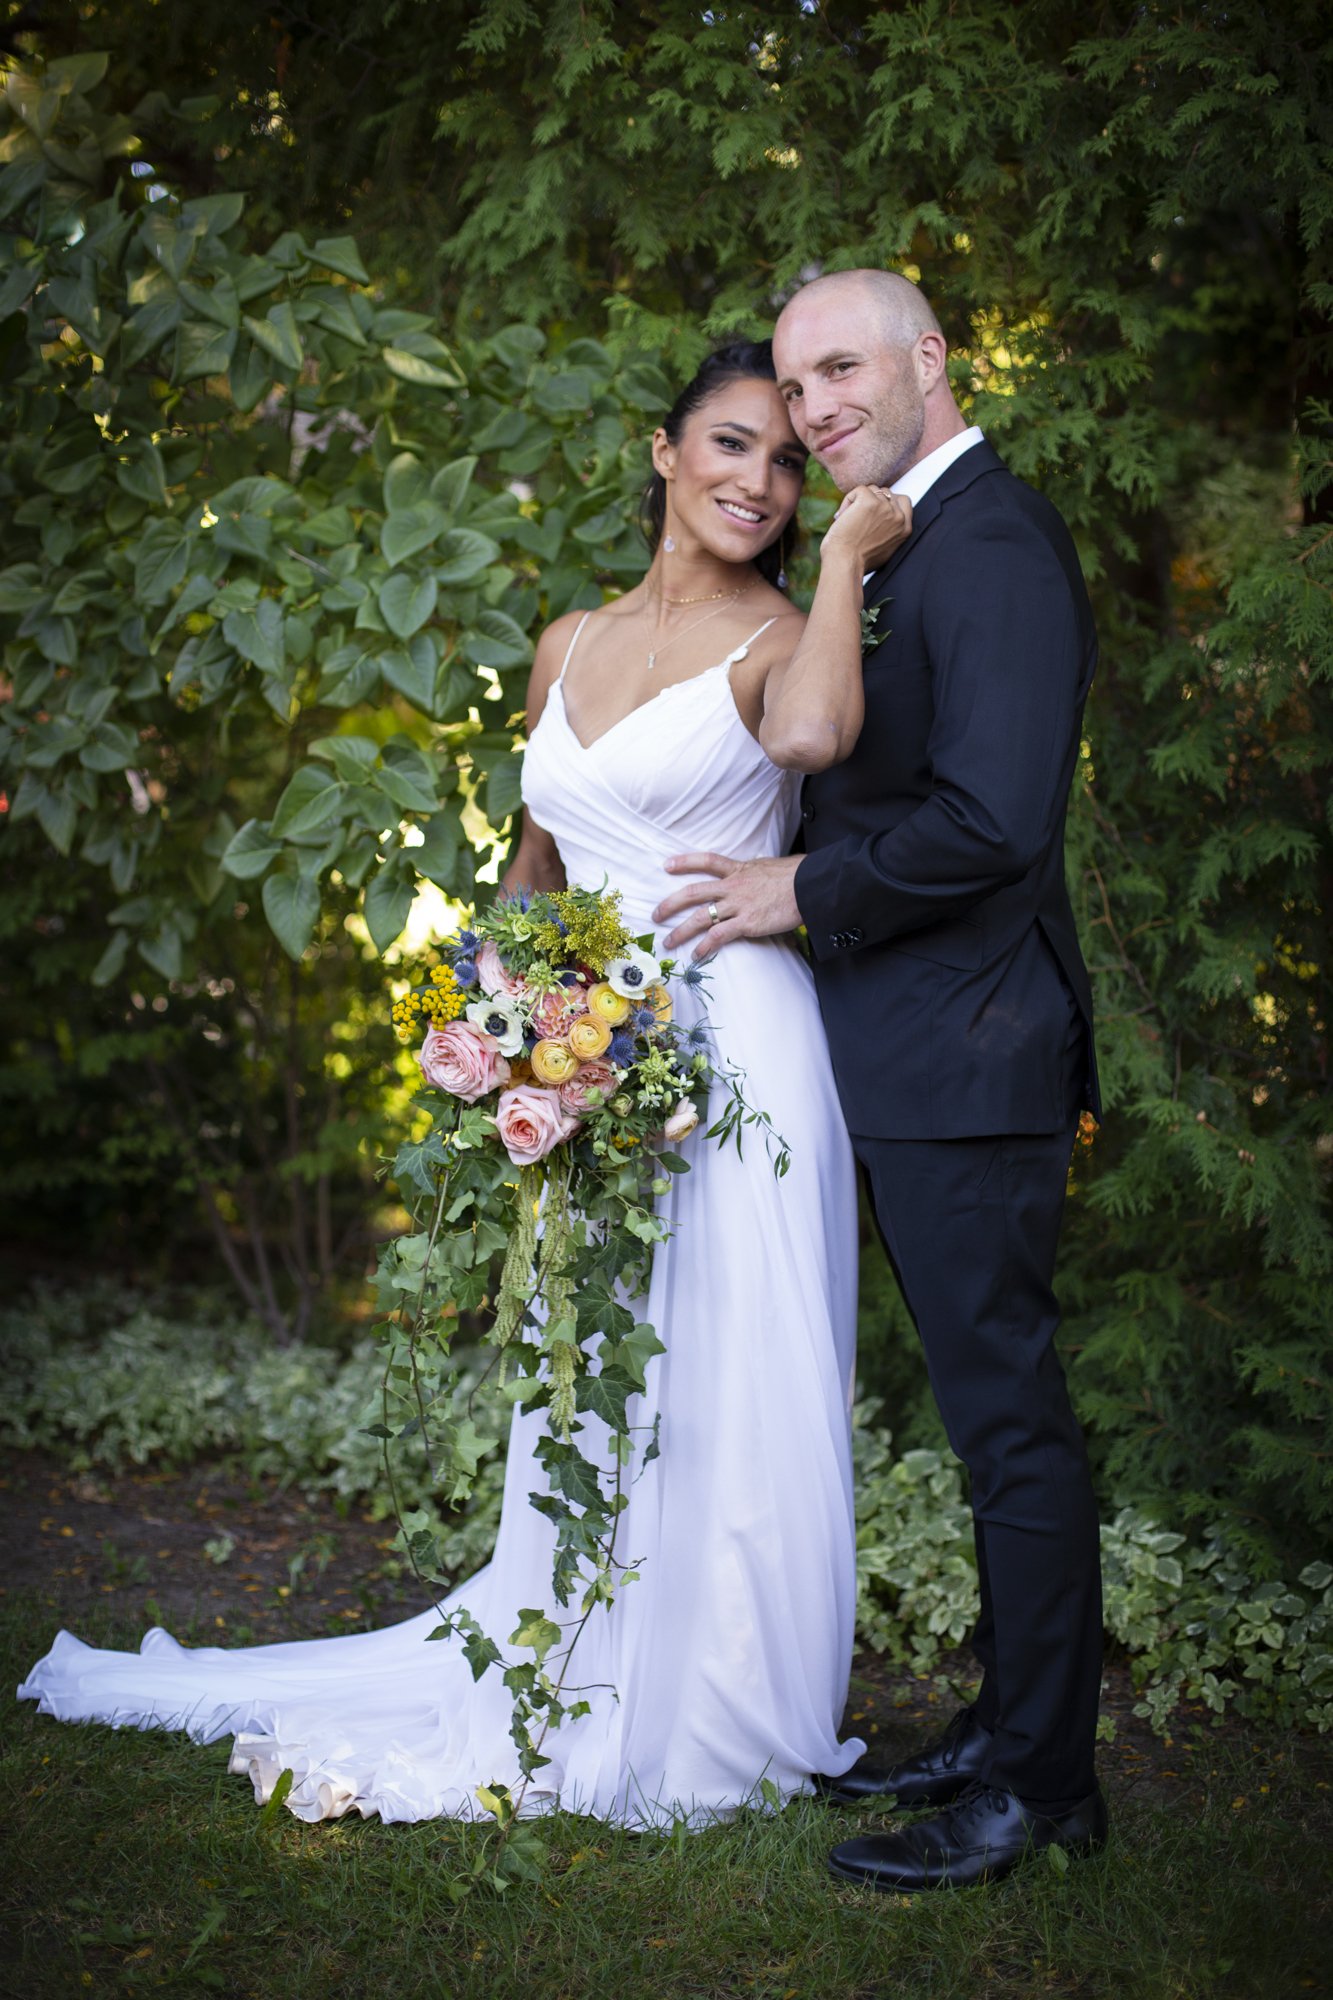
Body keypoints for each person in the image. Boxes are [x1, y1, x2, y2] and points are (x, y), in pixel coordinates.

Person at [18, 342, 909, 1832]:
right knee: (594, 1358)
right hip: (576, 1044)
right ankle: (581, 1648)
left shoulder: (778, 642)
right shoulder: (564, 644)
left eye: (785, 461)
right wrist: (498, 1024)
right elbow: (535, 865)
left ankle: (728, 1705)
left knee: (733, 1361)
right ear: (662, 451)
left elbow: (818, 739)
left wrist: (841, 561)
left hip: (734, 1042)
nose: (758, 480)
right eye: (730, 446)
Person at [655, 272, 1106, 1890]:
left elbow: (994, 823)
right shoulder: (914, 538)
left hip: (971, 1052)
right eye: (794, 380)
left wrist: (799, 894)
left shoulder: (989, 540)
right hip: (914, 1057)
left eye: (840, 368)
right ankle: (1008, 1735)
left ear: (930, 359)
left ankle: (1041, 1787)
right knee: (993, 1420)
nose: (818, 404)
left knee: (1011, 1428)